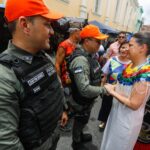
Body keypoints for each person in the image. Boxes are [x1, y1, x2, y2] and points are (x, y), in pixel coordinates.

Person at [0, 0, 68, 150]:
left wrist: (62, 109)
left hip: (52, 136)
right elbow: (7, 144)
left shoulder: (44, 56)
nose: (52, 32)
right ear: (25, 25)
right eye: (47, 24)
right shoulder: (5, 76)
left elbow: (56, 86)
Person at [100, 32, 150, 150]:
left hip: (127, 121)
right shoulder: (131, 65)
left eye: (131, 45)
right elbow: (121, 84)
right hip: (116, 114)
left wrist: (112, 92)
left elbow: (134, 104)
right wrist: (113, 87)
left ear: (142, 48)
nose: (127, 48)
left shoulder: (145, 73)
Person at [67, 24, 108, 150]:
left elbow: (95, 73)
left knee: (83, 119)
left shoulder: (90, 56)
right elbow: (84, 89)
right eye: (97, 41)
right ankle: (76, 142)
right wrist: (104, 90)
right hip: (80, 100)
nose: (100, 44)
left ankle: (79, 134)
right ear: (87, 41)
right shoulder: (81, 60)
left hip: (87, 101)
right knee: (80, 119)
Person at [98, 41, 131, 130]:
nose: (124, 50)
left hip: (122, 93)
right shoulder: (112, 60)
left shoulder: (132, 64)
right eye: (123, 47)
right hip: (109, 90)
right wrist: (101, 88)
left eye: (127, 48)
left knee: (117, 110)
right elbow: (104, 75)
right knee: (106, 106)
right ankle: (103, 121)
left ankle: (112, 124)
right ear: (119, 48)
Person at [55, 27, 80, 132]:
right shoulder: (64, 45)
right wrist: (59, 80)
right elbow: (57, 64)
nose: (81, 35)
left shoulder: (77, 45)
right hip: (66, 80)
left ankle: (67, 118)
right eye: (80, 33)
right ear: (74, 32)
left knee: (71, 100)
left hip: (74, 79)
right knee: (65, 100)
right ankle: (62, 123)